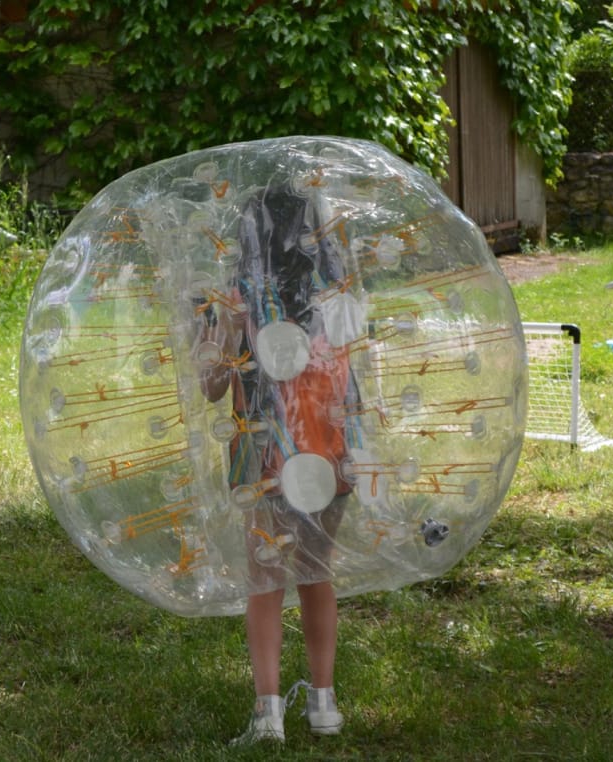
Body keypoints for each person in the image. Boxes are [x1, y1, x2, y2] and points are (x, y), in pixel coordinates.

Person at [195, 178, 356, 744]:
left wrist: (219, 329)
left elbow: (212, 387)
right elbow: (353, 386)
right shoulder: (337, 299)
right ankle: (324, 704)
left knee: (265, 579)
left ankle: (268, 713)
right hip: (330, 452)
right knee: (317, 574)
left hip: (262, 457)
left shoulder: (232, 300)